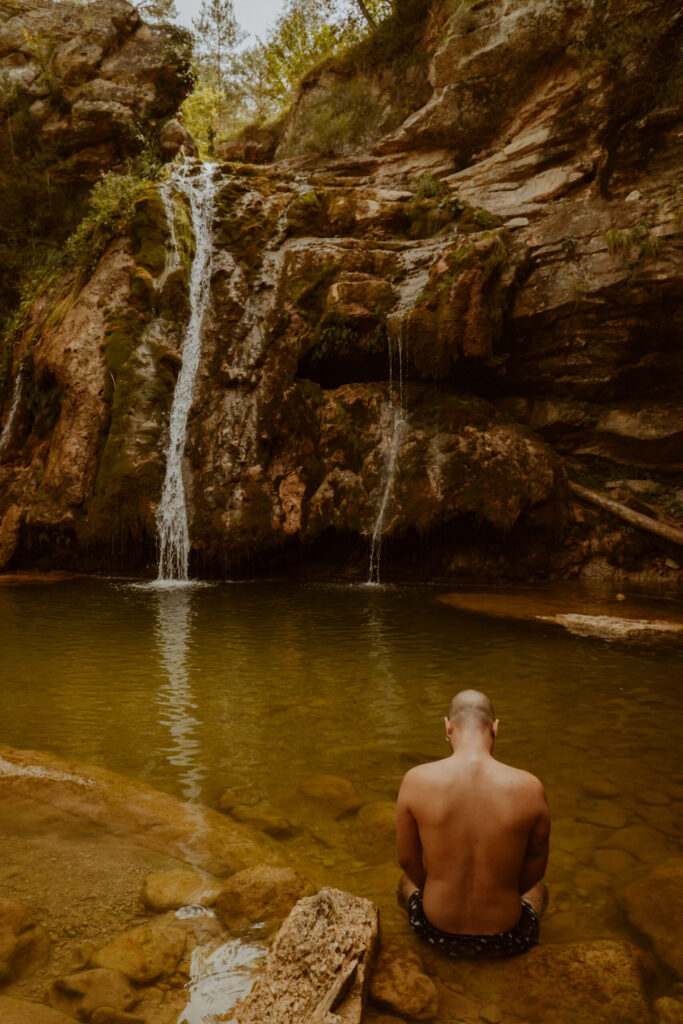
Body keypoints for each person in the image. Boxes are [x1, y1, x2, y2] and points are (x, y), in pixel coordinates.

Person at [396, 689, 550, 957]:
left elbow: (408, 861)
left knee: (405, 882)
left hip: (435, 931)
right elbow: (536, 866)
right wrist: (504, 892)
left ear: (447, 726)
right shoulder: (530, 786)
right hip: (506, 936)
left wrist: (434, 888)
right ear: (495, 728)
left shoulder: (415, 780)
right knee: (540, 890)